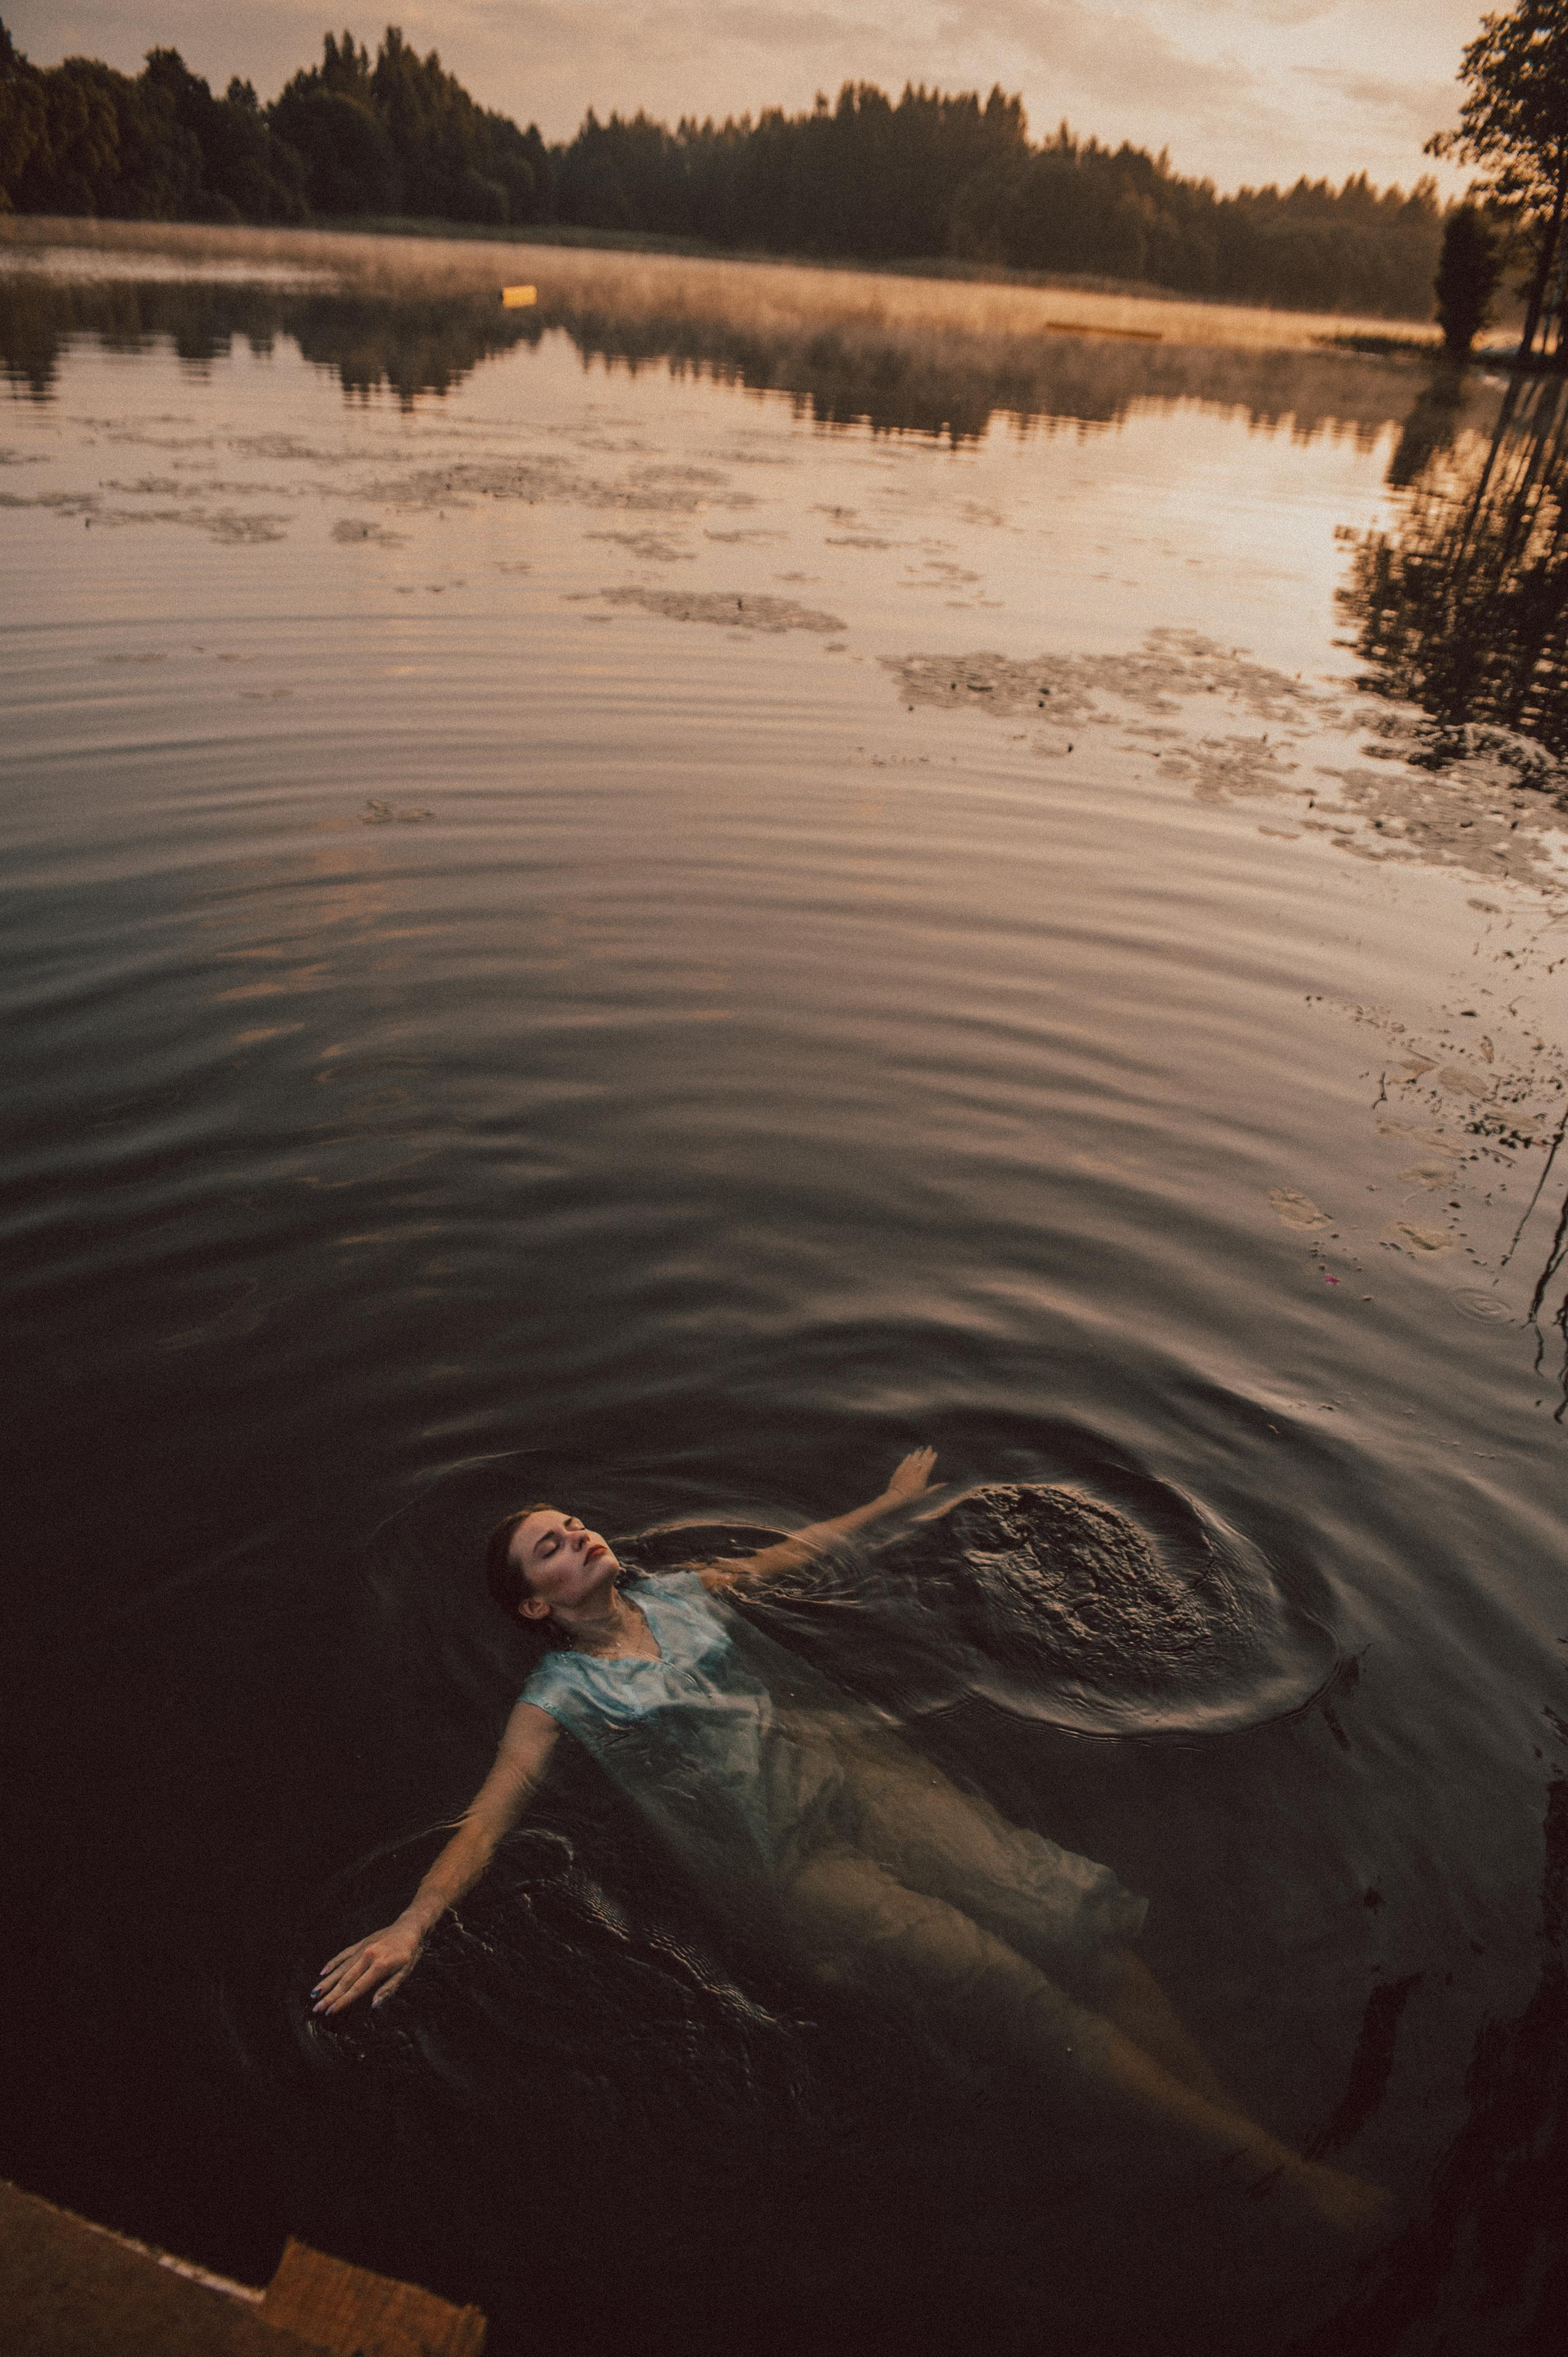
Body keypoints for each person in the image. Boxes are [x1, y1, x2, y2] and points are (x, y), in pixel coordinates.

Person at [314, 1450, 1387, 2232]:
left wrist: (886, 1504)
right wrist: (415, 1922)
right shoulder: (559, 1696)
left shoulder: (687, 1593)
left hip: (866, 1787)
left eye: (573, 1524)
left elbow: (792, 1557)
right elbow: (491, 1815)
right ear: (534, 1606)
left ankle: (1246, 2131)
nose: (578, 1536)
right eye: (549, 1547)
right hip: (788, 1866)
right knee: (1008, 1988)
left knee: (1075, 1916)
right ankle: (1273, 2170)